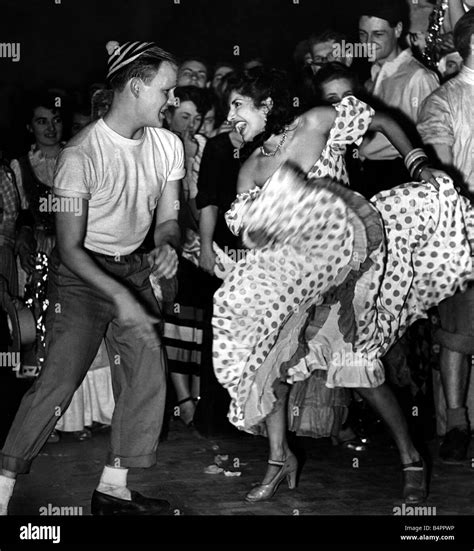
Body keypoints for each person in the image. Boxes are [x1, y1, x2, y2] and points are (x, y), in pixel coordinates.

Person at [211, 67, 473, 505]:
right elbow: (251, 232)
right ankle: (279, 460)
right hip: (295, 278)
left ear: (266, 105)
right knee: (267, 365)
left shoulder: (316, 121)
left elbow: (385, 122)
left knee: (356, 368)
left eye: (238, 105)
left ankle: (410, 458)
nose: (230, 115)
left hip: (349, 268)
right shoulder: (252, 168)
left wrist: (418, 163)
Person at [0, 40, 183, 516]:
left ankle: (113, 489)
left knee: (146, 370)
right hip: (82, 276)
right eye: (167, 90)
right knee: (60, 381)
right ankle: (0, 493)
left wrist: (167, 245)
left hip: (133, 266)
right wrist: (119, 298)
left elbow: (167, 220)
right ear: (137, 87)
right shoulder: (81, 154)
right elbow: (69, 249)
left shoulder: (168, 145)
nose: (173, 101)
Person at [417, 8, 474, 462]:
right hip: (462, 231)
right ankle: (457, 424)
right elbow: (444, 173)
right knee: (458, 331)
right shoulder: (444, 99)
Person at [162, 85, 211, 427]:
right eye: (184, 116)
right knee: (173, 324)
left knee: (196, 321)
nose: (190, 124)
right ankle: (183, 400)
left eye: (196, 118)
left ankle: (197, 397)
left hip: (197, 247)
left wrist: (194, 160)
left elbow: (200, 206)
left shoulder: (204, 148)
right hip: (166, 245)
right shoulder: (159, 144)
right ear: (168, 113)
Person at [357, 0, 440, 194]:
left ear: (398, 30)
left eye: (378, 34)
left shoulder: (418, 77)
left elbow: (436, 140)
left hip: (402, 177)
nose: (368, 44)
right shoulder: (371, 77)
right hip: (368, 175)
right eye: (363, 34)